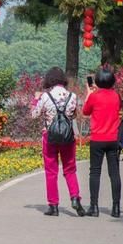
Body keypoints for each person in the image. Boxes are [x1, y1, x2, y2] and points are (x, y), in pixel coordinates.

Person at [31, 67, 85, 217]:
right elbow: (73, 116)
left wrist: (36, 99)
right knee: (70, 169)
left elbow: (34, 115)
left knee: (51, 171)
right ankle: (75, 198)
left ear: (49, 79)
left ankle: (53, 206)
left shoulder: (45, 96)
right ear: (63, 80)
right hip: (68, 137)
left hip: (50, 136)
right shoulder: (72, 96)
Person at [82, 67, 122, 218]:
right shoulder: (116, 96)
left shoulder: (94, 96)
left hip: (97, 139)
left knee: (95, 172)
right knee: (114, 173)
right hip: (113, 139)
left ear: (97, 81)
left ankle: (94, 207)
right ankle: (116, 207)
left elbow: (85, 112)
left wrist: (89, 93)